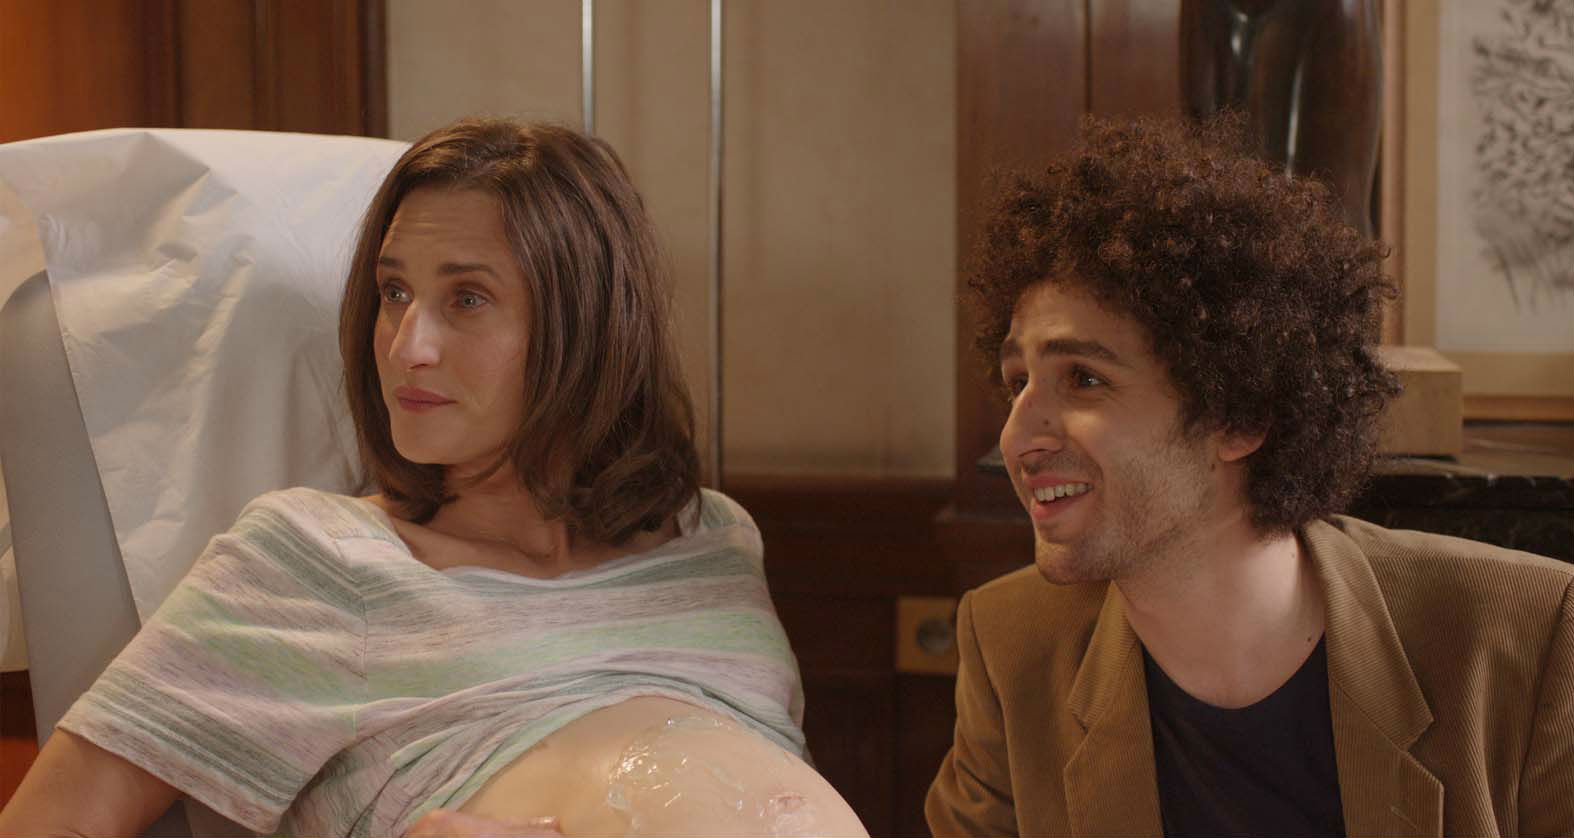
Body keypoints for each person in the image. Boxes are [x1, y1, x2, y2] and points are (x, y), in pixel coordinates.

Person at [0, 119, 867, 838]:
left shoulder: (710, 539)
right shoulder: (322, 562)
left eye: (467, 299)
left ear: (585, 326)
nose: (407, 345)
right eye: (393, 293)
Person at [925, 116, 1572, 837]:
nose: (1017, 437)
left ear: (1239, 416)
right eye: (1017, 382)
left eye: (1083, 379)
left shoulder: (1526, 633)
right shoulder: (1012, 648)